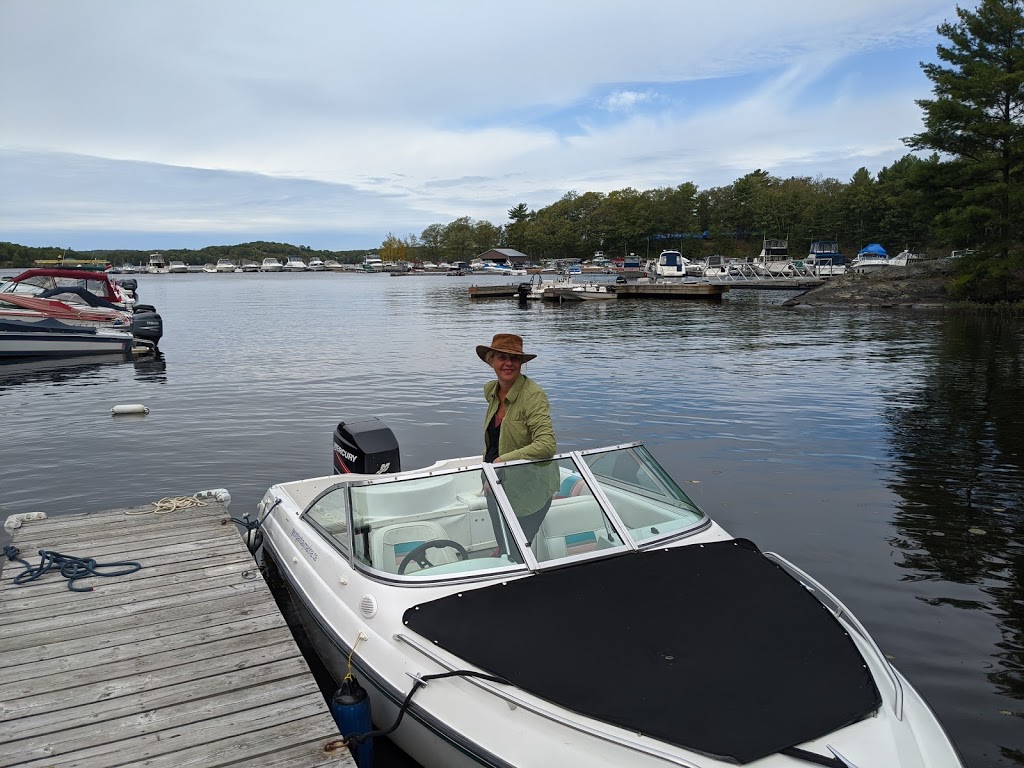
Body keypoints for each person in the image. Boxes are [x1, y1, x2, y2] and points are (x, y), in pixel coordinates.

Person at [477, 333, 559, 554]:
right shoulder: (491, 391)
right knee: (504, 542)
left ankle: (511, 555)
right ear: (491, 361)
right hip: (495, 483)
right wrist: (492, 471)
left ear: (521, 363)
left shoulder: (533, 396)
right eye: (502, 357)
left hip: (529, 490)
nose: (508, 363)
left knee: (517, 550)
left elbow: (546, 445)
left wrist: (503, 461)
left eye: (514, 358)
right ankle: (504, 549)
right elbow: (496, 440)